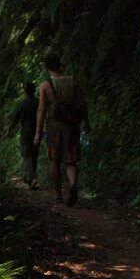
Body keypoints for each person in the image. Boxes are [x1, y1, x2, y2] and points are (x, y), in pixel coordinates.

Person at [34, 53, 89, 205]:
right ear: (60, 64)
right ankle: (73, 185)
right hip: (72, 126)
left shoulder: (45, 85)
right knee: (71, 161)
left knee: (55, 161)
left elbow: (41, 110)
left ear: (47, 67)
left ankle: (58, 195)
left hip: (54, 127)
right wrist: (87, 123)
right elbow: (82, 104)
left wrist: (38, 133)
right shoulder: (72, 81)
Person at [9, 81, 39, 187]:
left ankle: (31, 178)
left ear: (25, 91)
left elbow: (14, 119)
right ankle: (30, 179)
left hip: (26, 133)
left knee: (27, 155)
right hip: (37, 132)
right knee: (34, 155)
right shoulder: (39, 102)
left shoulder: (22, 104)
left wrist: (9, 131)